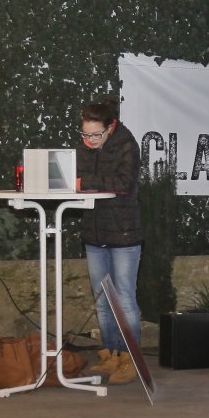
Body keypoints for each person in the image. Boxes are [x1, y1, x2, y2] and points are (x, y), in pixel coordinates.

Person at [76, 101, 143, 385]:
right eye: (85, 134)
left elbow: (123, 183)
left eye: (96, 135)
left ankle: (131, 359)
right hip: (94, 233)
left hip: (123, 232)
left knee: (125, 299)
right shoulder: (83, 146)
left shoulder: (127, 145)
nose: (89, 140)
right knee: (102, 300)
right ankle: (109, 354)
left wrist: (83, 183)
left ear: (110, 127)